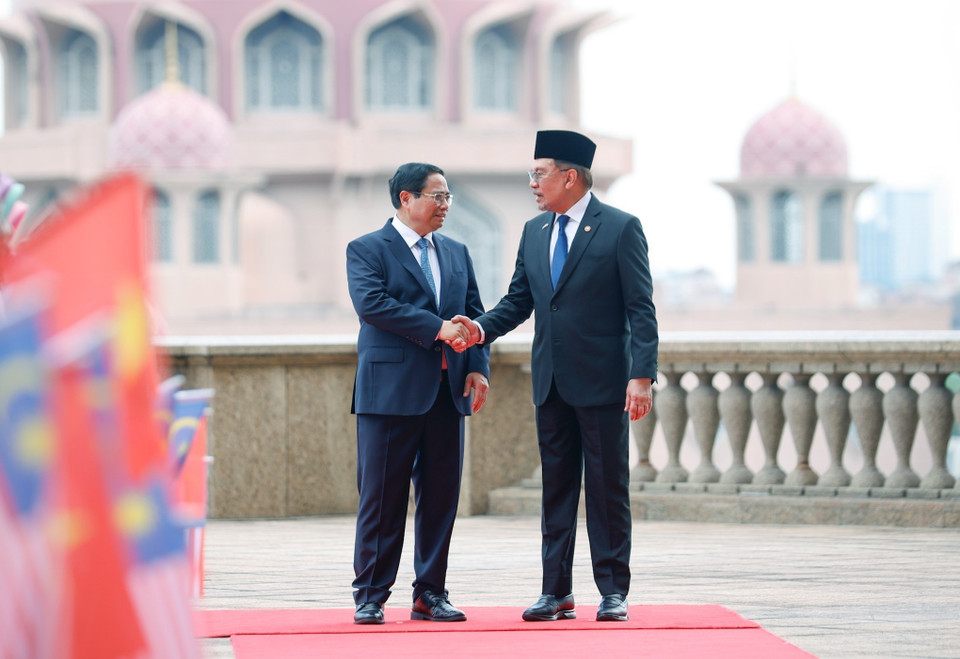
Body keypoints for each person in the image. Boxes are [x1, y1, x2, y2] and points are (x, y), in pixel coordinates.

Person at [454, 130, 658, 623]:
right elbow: (519, 301)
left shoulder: (619, 228)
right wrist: (479, 329)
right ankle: (556, 592)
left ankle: (613, 591)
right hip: (550, 383)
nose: (532, 184)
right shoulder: (535, 231)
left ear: (570, 177)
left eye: (539, 174)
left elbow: (641, 309)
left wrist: (642, 377)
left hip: (605, 382)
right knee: (557, 489)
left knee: (608, 488)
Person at [346, 162, 490, 625]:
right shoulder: (367, 249)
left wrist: (479, 368)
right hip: (389, 393)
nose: (445, 205)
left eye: (448, 198)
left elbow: (473, 314)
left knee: (441, 498)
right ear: (406, 198)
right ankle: (371, 594)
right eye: (437, 196)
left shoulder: (456, 251)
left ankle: (430, 593)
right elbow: (373, 306)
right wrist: (438, 329)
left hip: (449, 393)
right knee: (382, 498)